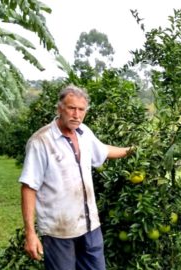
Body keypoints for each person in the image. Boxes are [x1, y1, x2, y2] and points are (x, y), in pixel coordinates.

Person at [20, 84, 133, 270]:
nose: (76, 114)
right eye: (71, 108)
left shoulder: (84, 133)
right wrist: (30, 233)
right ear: (60, 109)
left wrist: (132, 151)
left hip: (90, 227)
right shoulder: (41, 141)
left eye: (81, 110)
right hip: (59, 231)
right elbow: (28, 187)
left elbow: (103, 151)